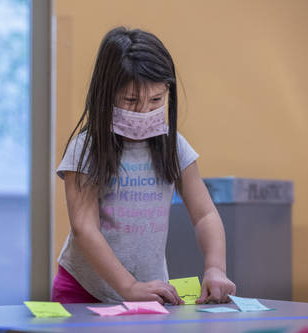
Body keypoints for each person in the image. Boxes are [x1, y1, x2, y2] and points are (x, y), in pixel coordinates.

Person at [52, 26, 236, 304]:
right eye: (131, 100)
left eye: (156, 100)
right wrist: (128, 287)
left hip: (148, 292)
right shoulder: (85, 148)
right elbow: (84, 227)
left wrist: (215, 268)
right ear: (107, 93)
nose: (143, 110)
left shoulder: (173, 146)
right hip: (84, 290)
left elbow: (205, 214)